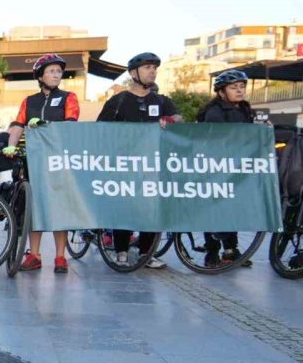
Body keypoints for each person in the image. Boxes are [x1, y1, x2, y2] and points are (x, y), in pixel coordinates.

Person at [97, 52, 182, 269]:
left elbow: (179, 118)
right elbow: (99, 130)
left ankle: (147, 252)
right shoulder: (118, 101)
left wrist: (170, 120)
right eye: (147, 68)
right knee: (125, 207)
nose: (152, 71)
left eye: (154, 68)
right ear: (133, 73)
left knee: (152, 209)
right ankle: (122, 251)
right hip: (124, 166)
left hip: (154, 166)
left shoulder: (161, 101)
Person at [3, 54, 80, 274]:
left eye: (59, 71)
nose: (57, 75)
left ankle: (60, 257)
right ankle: (34, 255)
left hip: (59, 159)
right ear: (40, 75)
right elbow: (18, 124)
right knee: (32, 207)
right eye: (52, 71)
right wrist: (11, 144)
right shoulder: (29, 101)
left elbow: (71, 123)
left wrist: (46, 124)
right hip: (34, 160)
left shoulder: (69, 97)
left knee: (59, 206)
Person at [196, 69, 256, 266]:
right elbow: (218, 139)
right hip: (215, 167)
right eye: (234, 87)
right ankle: (211, 251)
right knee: (213, 210)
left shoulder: (245, 109)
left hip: (237, 167)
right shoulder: (214, 112)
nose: (240, 91)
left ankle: (230, 250)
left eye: (242, 87)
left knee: (233, 208)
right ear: (221, 92)